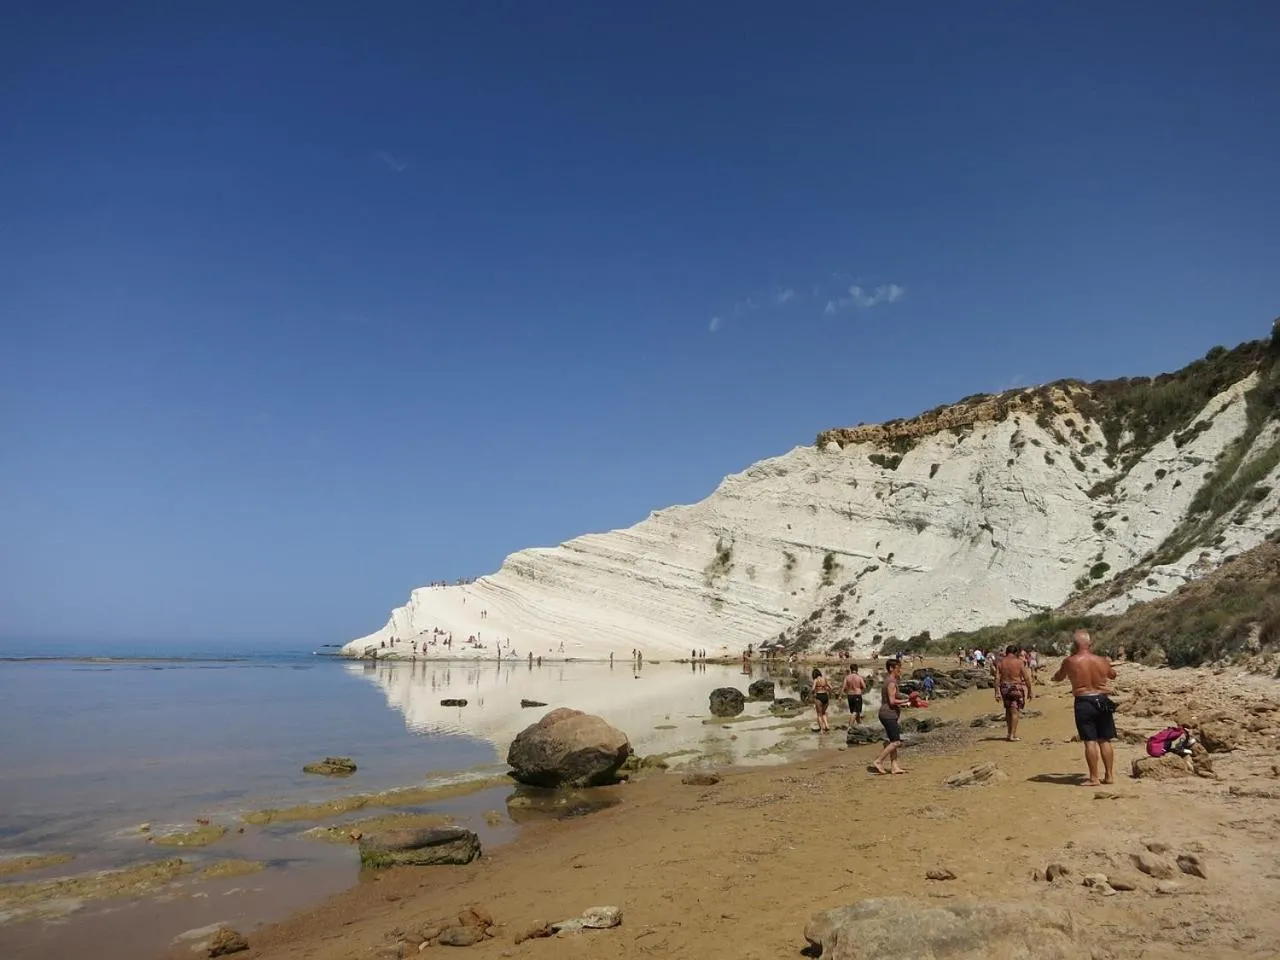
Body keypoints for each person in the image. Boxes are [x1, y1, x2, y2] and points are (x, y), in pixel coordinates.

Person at [1052, 629, 1118, 786]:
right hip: (1102, 699)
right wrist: (1107, 666)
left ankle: (1094, 778)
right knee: (1105, 739)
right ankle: (1109, 776)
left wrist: (1054, 677)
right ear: (1090, 644)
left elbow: (1059, 677)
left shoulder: (1070, 661)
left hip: (1084, 701)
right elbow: (1113, 675)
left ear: (1075, 645)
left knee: (1090, 740)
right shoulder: (1101, 659)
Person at [872, 660, 909, 775]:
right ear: (891, 668)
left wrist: (904, 702)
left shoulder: (890, 681)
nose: (900, 670)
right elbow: (892, 701)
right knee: (896, 742)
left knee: (893, 741)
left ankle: (894, 766)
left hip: (888, 714)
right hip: (888, 715)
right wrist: (907, 701)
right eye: (898, 668)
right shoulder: (891, 682)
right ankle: (878, 761)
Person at [995, 644, 1033, 741]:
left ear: (1007, 652)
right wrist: (1029, 690)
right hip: (1016, 687)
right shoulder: (1019, 662)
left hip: (1004, 688)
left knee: (1008, 710)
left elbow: (997, 678)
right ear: (1016, 653)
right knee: (1015, 711)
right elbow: (1026, 678)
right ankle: (1012, 735)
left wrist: (997, 692)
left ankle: (1009, 733)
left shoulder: (1000, 663)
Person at [811, 668, 832, 733]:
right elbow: (831, 687)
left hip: (819, 696)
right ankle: (827, 726)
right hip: (825, 696)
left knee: (819, 714)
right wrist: (826, 688)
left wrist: (814, 692)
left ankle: (822, 729)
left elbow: (813, 689)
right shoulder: (824, 679)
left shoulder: (816, 680)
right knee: (823, 713)